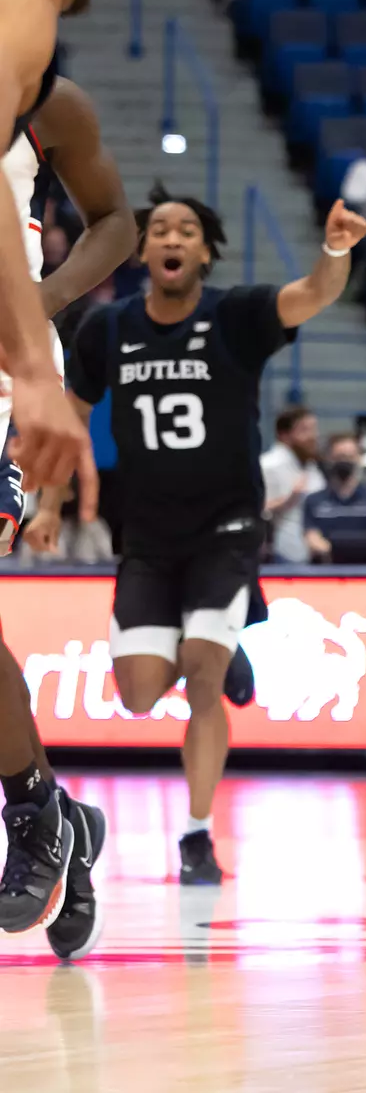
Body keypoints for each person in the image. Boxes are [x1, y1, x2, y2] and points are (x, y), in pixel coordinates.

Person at [56, 187, 366, 886]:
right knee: (138, 694)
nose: (171, 237)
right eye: (158, 228)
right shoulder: (105, 330)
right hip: (147, 534)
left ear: (203, 250)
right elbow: (67, 423)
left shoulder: (237, 314)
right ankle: (224, 658)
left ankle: (196, 835)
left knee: (198, 679)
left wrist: (336, 249)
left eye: (186, 229)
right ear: (142, 250)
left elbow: (314, 294)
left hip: (226, 527)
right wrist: (51, 503)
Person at [0, 62, 134, 958]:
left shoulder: (42, 95)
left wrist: (35, 307)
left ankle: (34, 807)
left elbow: (115, 222)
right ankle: (63, 816)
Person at [302, 433, 366, 561]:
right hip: (327, 569)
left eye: (350, 456)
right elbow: (312, 537)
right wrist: (339, 552)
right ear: (329, 459)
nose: (345, 461)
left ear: (359, 458)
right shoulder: (314, 500)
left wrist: (356, 553)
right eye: (340, 456)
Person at [260, 404, 324, 563]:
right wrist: (287, 500)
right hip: (281, 554)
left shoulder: (311, 466)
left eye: (314, 429)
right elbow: (255, 509)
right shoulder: (269, 465)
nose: (313, 435)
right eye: (305, 430)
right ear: (284, 435)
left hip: (313, 552)